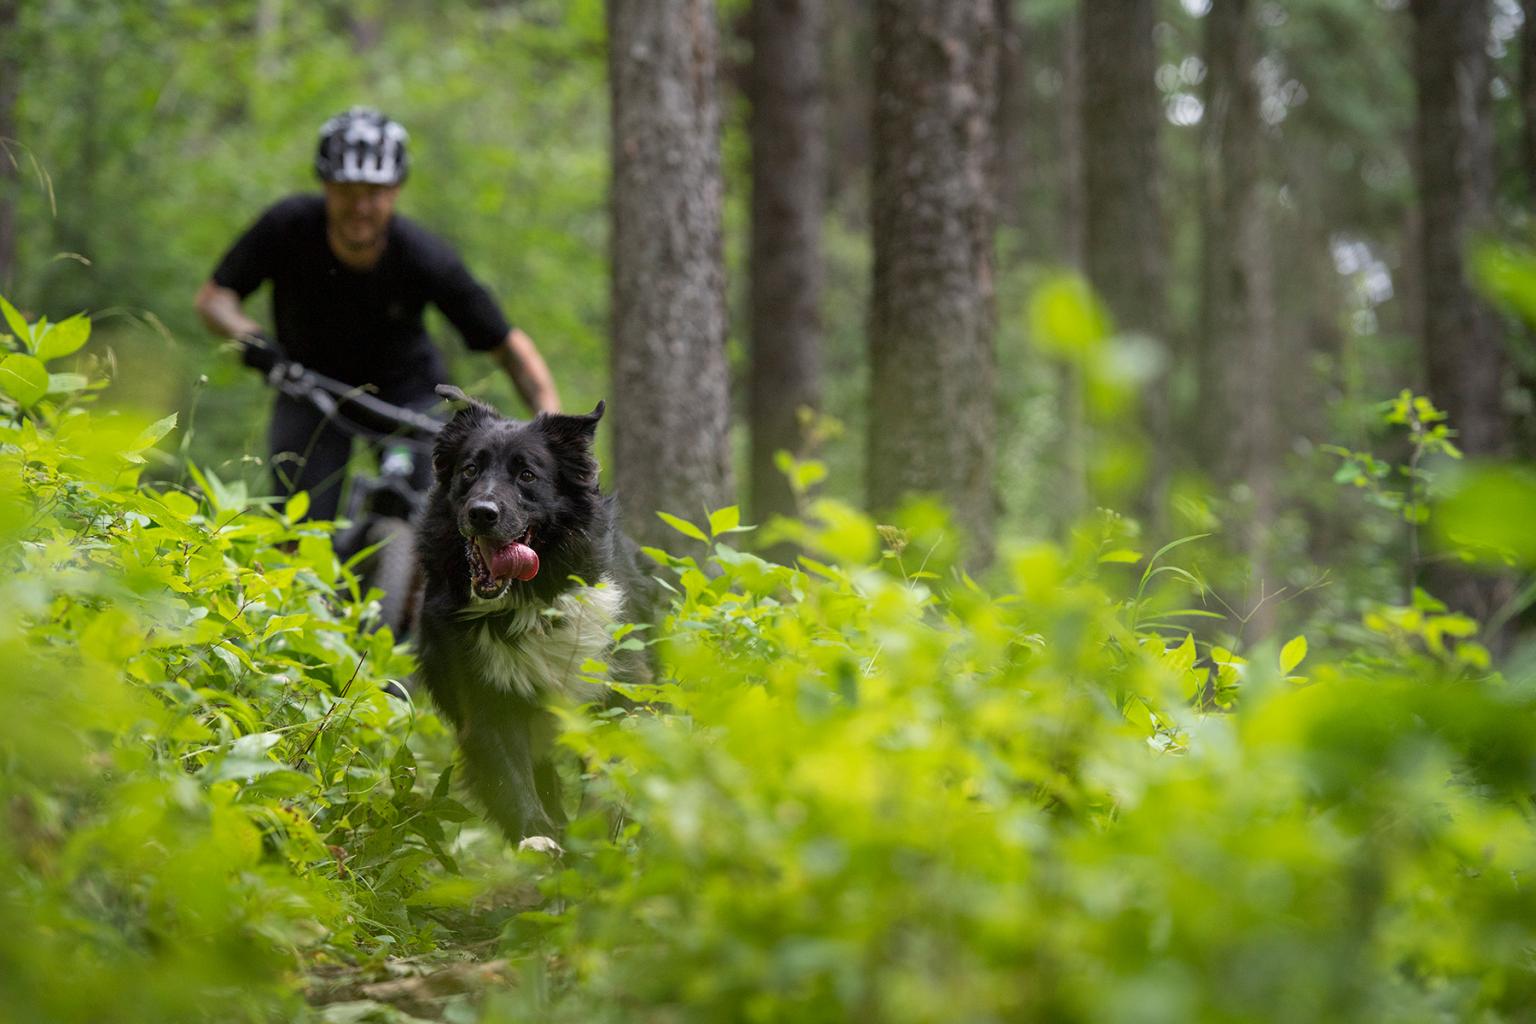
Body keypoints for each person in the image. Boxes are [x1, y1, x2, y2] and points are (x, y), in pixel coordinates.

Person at [194, 106, 561, 522]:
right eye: (346, 191)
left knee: (432, 519)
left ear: (396, 191)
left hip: (407, 398)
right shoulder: (288, 227)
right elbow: (214, 298)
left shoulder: (424, 256)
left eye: (375, 192)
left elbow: (509, 347)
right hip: (310, 387)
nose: (361, 206)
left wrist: (548, 432)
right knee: (297, 525)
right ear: (326, 186)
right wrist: (254, 342)